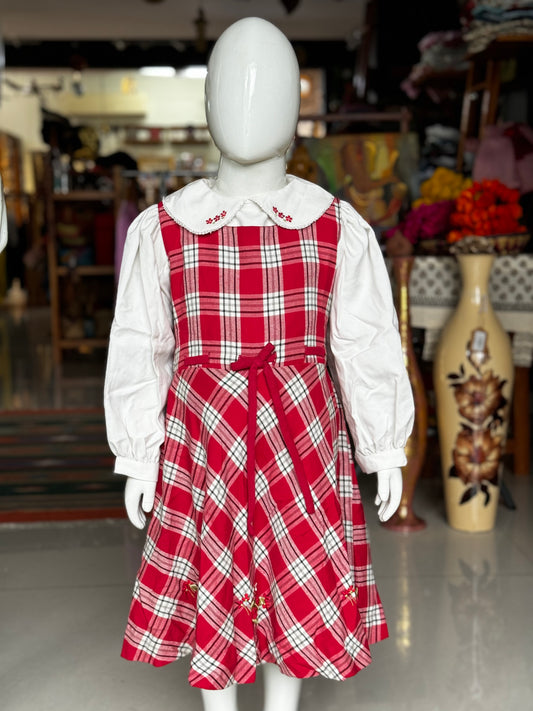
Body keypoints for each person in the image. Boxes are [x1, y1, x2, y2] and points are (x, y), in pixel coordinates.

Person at [104, 17, 414, 711]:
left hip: (298, 438)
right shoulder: (165, 228)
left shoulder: (335, 225)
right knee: (213, 570)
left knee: (292, 576)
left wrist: (383, 443)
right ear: (207, 105)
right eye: (233, 90)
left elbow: (364, 341)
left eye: (269, 90)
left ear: (296, 111)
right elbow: (140, 344)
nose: (249, 106)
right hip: (202, 438)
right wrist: (137, 451)